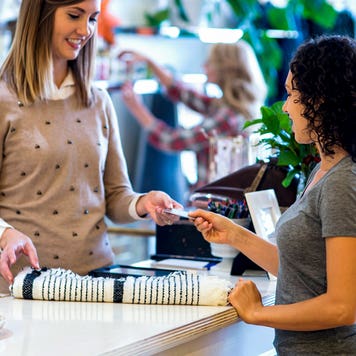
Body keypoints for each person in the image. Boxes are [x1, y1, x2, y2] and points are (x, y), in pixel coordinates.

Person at [0, 0, 182, 293]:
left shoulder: (99, 102)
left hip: (96, 283)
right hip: (23, 286)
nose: (85, 30)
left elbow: (115, 195)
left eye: (93, 19)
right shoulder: (4, 98)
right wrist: (5, 233)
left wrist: (143, 203)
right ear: (39, 16)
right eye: (74, 15)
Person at [190, 35, 356, 354]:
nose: (286, 107)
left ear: (320, 101)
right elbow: (304, 271)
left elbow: (342, 306)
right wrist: (235, 235)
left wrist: (257, 313)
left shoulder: (342, 181)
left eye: (293, 94)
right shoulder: (321, 172)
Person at [118, 40, 267, 189]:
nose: (204, 67)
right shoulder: (233, 108)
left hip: (212, 202)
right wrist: (150, 62)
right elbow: (185, 94)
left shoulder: (228, 117)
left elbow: (171, 140)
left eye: (210, 62)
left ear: (224, 69)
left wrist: (136, 107)